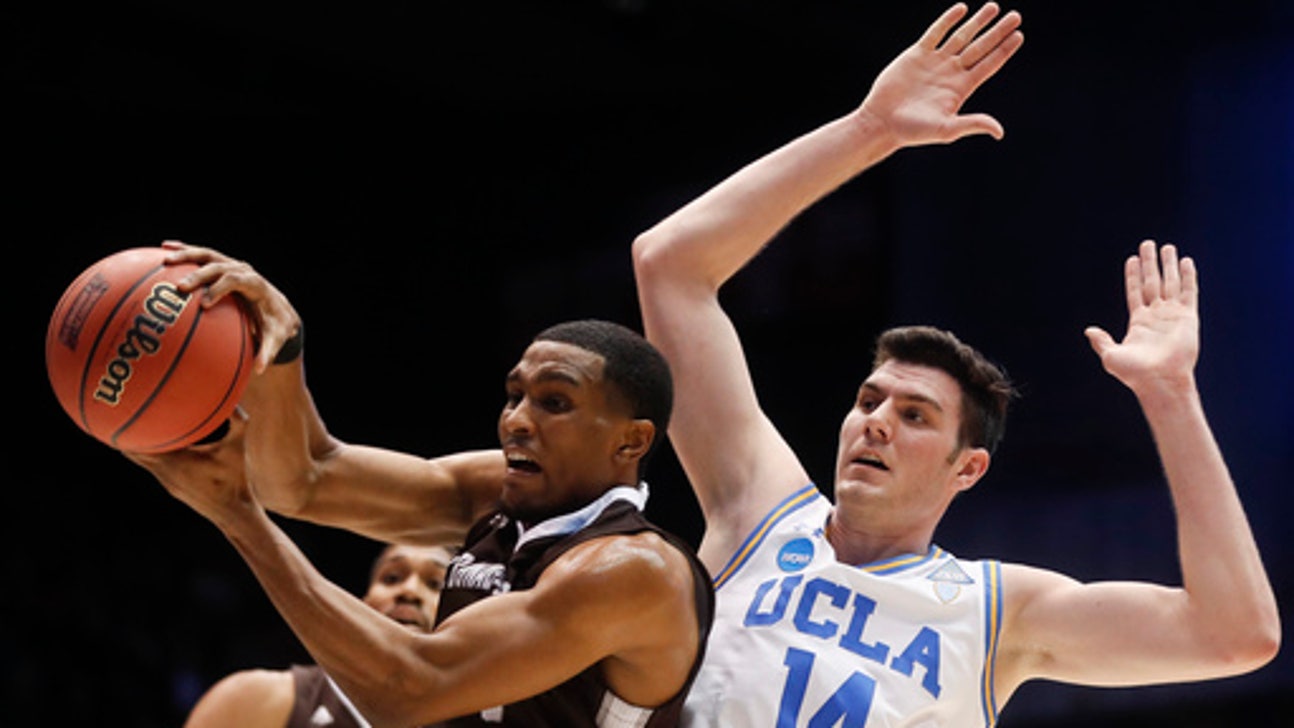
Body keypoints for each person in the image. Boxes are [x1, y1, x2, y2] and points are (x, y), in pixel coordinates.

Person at [630, 2, 1280, 726]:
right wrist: (870, 130)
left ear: (966, 469)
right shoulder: (761, 509)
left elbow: (1236, 636)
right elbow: (668, 266)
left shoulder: (997, 612)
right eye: (869, 400)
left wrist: (1169, 393)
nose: (877, 423)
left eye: (915, 416)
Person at [127, 268, 715, 728]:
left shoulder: (635, 571)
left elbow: (409, 690)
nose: (516, 420)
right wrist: (278, 346)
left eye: (554, 403)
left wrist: (240, 521)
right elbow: (306, 479)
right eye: (514, 395)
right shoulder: (495, 492)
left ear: (631, 440)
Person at [184, 543, 455, 728]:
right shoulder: (257, 699)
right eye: (391, 578)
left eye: (435, 584)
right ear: (363, 605)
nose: (409, 591)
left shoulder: (476, 718)